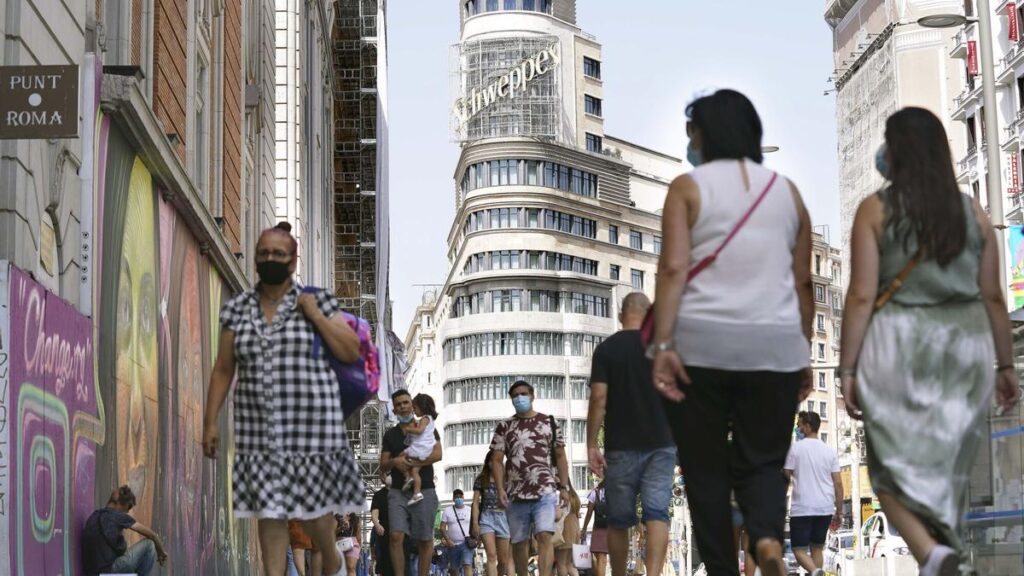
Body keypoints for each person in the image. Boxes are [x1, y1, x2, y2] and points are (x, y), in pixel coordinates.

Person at [839, 107, 1021, 576]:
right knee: (949, 474)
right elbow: (994, 297)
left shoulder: (875, 211)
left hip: (896, 349)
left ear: (894, 152)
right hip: (966, 349)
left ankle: (932, 553)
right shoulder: (974, 213)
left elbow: (861, 296)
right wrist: (1005, 365)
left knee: (886, 470)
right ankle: (951, 560)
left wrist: (848, 369)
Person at [648, 89, 814, 576]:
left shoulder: (687, 188)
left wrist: (662, 346)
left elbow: (675, 268)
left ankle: (721, 567)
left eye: (691, 132)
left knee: (704, 469)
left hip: (702, 347)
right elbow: (801, 281)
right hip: (775, 347)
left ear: (706, 134)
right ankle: (765, 541)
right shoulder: (789, 193)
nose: (689, 142)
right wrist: (801, 351)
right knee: (762, 461)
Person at [202, 221, 364, 576]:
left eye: (278, 253)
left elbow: (351, 349)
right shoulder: (239, 308)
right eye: (264, 253)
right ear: (255, 260)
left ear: (292, 261)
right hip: (258, 425)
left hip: (310, 424)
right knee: (270, 510)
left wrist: (315, 316)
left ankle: (329, 553)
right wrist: (210, 421)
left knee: (313, 511)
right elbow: (223, 368)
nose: (270, 258)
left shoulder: (315, 300)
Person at [586, 292, 676, 576]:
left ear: (620, 315)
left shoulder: (607, 350)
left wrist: (591, 443)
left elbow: (599, 397)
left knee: (619, 519)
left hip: (621, 444)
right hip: (662, 443)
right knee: (657, 514)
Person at [490, 380, 571, 576]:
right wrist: (500, 489)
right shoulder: (504, 426)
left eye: (523, 393)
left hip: (545, 490)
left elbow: (560, 456)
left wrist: (564, 487)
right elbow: (497, 460)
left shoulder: (549, 422)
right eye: (515, 395)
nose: (520, 398)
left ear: (532, 395)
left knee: (545, 535)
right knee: (519, 543)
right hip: (516, 494)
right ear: (511, 399)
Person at [382, 389, 444, 576]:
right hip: (398, 492)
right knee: (395, 535)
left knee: (425, 539)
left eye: (406, 402)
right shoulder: (390, 435)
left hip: (424, 489)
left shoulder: (427, 426)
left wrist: (413, 463)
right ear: (394, 410)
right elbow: (383, 465)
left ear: (413, 405)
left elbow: (438, 454)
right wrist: (395, 462)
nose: (403, 407)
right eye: (398, 404)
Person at [783, 411, 842, 576]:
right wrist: (839, 510)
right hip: (824, 508)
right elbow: (838, 483)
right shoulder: (829, 452)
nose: (798, 428)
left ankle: (816, 571)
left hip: (802, 508)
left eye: (800, 425)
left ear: (808, 427)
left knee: (798, 550)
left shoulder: (796, 448)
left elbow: (786, 474)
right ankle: (817, 571)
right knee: (817, 548)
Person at [81, 485, 169, 576]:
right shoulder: (118, 516)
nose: (125, 513)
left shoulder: (94, 516)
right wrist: (161, 552)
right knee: (149, 544)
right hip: (110, 570)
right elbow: (152, 535)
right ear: (122, 505)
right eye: (126, 510)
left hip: (91, 572)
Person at [472, 449, 512, 576]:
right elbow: (475, 502)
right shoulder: (481, 479)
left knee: (503, 561)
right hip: (486, 518)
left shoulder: (507, 480)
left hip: (503, 518)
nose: (493, 463)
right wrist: (475, 523)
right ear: (487, 462)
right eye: (491, 460)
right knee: (491, 555)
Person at [402, 394, 439, 505]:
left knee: (403, 456)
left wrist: (408, 429)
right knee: (415, 470)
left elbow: (419, 431)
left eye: (415, 408)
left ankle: (409, 478)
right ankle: (416, 492)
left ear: (422, 407)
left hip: (421, 449)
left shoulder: (424, 419)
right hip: (426, 449)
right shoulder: (430, 419)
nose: (414, 410)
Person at [441, 490, 475, 576]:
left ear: (463, 497)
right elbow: (442, 527)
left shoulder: (470, 510)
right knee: (454, 569)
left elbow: (475, 525)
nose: (458, 498)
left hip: (467, 543)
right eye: (456, 497)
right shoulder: (447, 510)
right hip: (453, 544)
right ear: (453, 498)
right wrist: (448, 540)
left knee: (467, 564)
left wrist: (476, 538)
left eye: (460, 496)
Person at [580, 481, 609, 576]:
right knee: (602, 558)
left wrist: (584, 528)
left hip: (597, 528)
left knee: (598, 557)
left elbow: (589, 513)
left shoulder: (594, 492)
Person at [554, 487, 581, 576]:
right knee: (569, 563)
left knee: (561, 563)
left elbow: (557, 514)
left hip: (564, 529)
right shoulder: (574, 495)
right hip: (574, 528)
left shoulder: (562, 495)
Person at [372, 480, 394, 576]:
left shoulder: (402, 492)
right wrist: (377, 524)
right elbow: (374, 514)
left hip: (401, 532)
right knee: (385, 564)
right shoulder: (378, 495)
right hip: (384, 534)